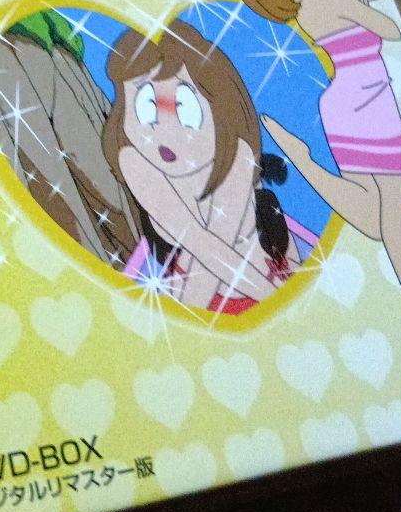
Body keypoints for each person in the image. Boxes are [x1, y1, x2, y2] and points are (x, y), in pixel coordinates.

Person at [218, 0, 401, 419]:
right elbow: (390, 30)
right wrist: (359, 5)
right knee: (400, 226)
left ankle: (304, 161)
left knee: (380, 223)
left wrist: (353, 5)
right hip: (367, 101)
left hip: (351, 103)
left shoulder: (313, 2)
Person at [102, 20, 298, 315]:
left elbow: (213, 252)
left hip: (261, 285)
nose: (165, 131)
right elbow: (197, 244)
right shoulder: (133, 160)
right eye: (147, 106)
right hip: (195, 291)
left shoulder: (238, 156)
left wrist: (280, 305)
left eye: (185, 108)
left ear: (221, 107)